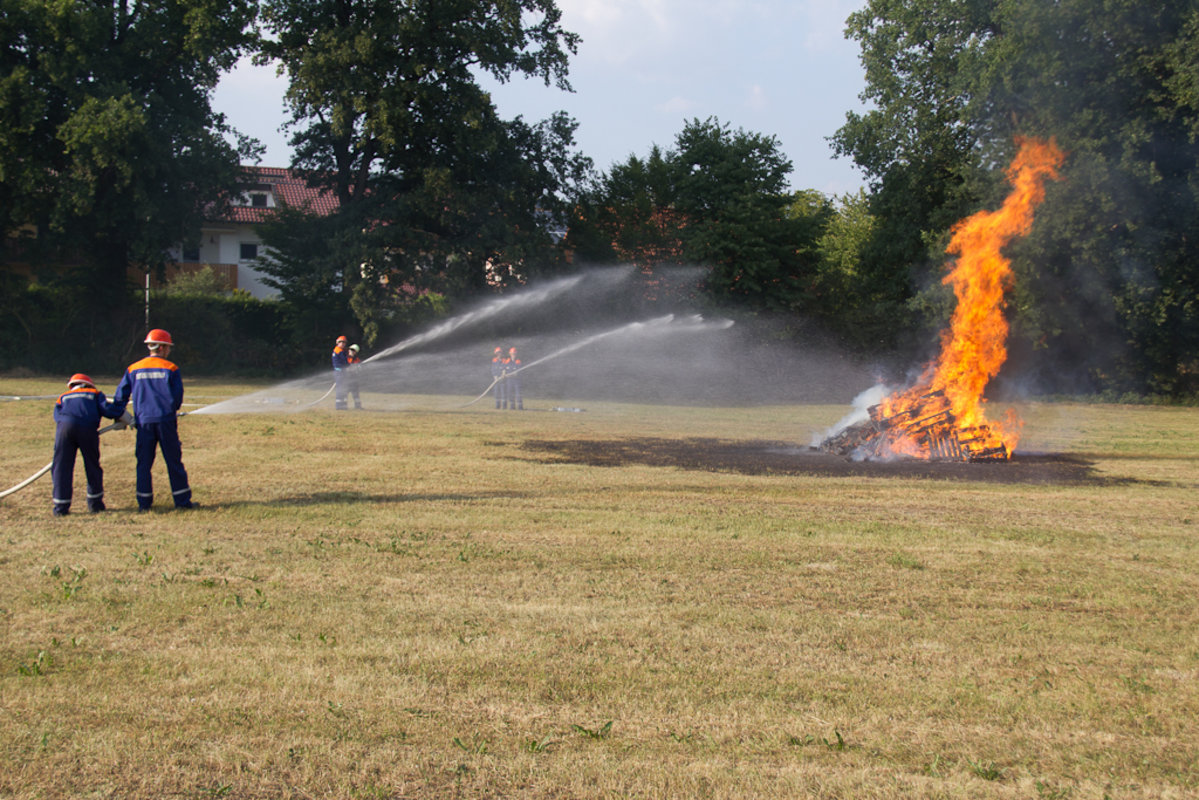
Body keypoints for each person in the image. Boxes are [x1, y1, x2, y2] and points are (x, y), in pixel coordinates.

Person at [112, 329, 195, 511]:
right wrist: (170, 409)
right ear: (162, 347)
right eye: (169, 347)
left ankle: (144, 504)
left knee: (144, 463)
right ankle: (182, 502)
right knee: (173, 462)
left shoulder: (133, 368)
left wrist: (119, 415)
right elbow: (177, 398)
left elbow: (120, 397)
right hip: (166, 421)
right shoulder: (171, 368)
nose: (169, 351)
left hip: (144, 423)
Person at [51, 374, 129, 516]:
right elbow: (109, 410)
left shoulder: (63, 397)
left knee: (61, 467)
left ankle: (60, 507)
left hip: (64, 429)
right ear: (89, 385)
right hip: (87, 428)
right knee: (92, 465)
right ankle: (95, 504)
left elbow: (57, 416)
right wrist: (123, 417)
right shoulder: (95, 394)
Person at [331, 335, 350, 410]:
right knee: (340, 388)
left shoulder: (339, 350)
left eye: (344, 342)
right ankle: (339, 406)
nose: (343, 344)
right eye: (341, 342)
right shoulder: (339, 351)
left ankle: (343, 405)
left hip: (341, 372)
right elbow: (345, 362)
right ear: (338, 343)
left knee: (343, 388)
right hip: (340, 372)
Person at [505, 346, 523, 410]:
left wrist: (510, 374)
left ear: (516, 354)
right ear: (510, 354)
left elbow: (518, 371)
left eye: (514, 354)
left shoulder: (518, 361)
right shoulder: (507, 361)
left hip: (517, 381)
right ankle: (512, 406)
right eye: (512, 353)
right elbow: (504, 369)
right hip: (509, 380)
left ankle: (520, 407)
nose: (513, 355)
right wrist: (504, 373)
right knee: (510, 393)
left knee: (518, 393)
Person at [346, 343, 363, 410]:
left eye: (354, 350)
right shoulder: (345, 358)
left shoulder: (357, 360)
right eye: (351, 349)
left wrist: (357, 368)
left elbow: (360, 369)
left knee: (355, 393)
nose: (352, 351)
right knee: (345, 392)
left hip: (354, 378)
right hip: (346, 378)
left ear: (356, 352)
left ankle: (358, 406)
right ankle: (343, 405)